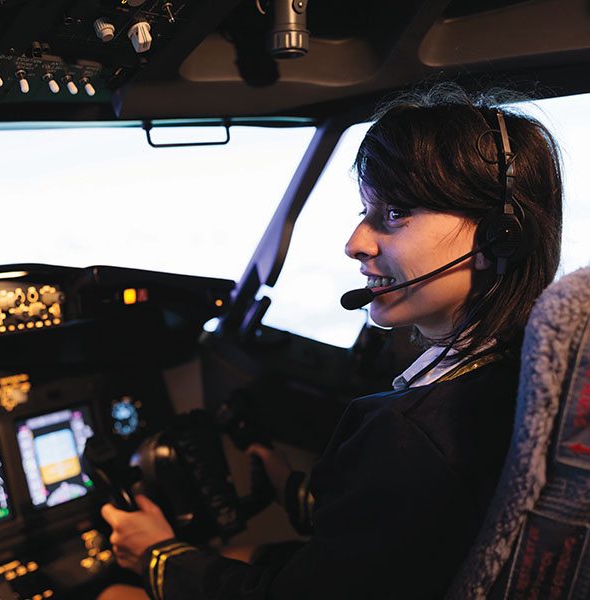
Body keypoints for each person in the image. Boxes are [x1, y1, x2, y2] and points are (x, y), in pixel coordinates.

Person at [98, 86, 564, 599]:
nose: (355, 243)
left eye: (395, 212)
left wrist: (157, 554)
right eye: (366, 210)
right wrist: (294, 490)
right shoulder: (525, 375)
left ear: (499, 236)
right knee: (249, 554)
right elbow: (403, 538)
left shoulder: (417, 432)